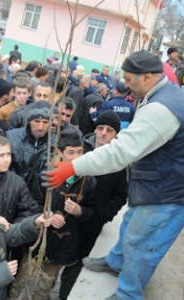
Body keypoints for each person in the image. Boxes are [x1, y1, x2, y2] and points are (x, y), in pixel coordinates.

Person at [45, 50, 184, 300]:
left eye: (129, 79)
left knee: (144, 243)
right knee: (131, 223)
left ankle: (128, 294)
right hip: (160, 182)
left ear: (146, 77)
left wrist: (73, 167)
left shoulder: (162, 109)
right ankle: (117, 261)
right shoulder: (158, 94)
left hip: (174, 192)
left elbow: (120, 153)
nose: (126, 85)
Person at [12, 129, 96, 300]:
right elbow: (31, 203)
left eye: (79, 152)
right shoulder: (45, 175)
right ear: (59, 153)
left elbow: (92, 212)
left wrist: (79, 211)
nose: (76, 157)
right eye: (70, 153)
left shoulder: (89, 181)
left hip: (63, 245)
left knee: (44, 286)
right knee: (22, 281)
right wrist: (47, 214)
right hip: (38, 240)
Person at [58, 111, 128, 299]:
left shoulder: (119, 162)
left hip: (91, 224)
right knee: (56, 256)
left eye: (109, 130)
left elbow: (121, 196)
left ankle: (64, 294)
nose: (103, 133)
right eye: (100, 127)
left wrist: (103, 214)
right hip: (65, 217)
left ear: (116, 134)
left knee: (76, 265)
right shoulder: (80, 150)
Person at [7, 101, 55, 208]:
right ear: (29, 121)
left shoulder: (56, 143)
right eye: (37, 121)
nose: (41, 127)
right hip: (12, 196)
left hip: (40, 201)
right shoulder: (11, 138)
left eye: (45, 122)